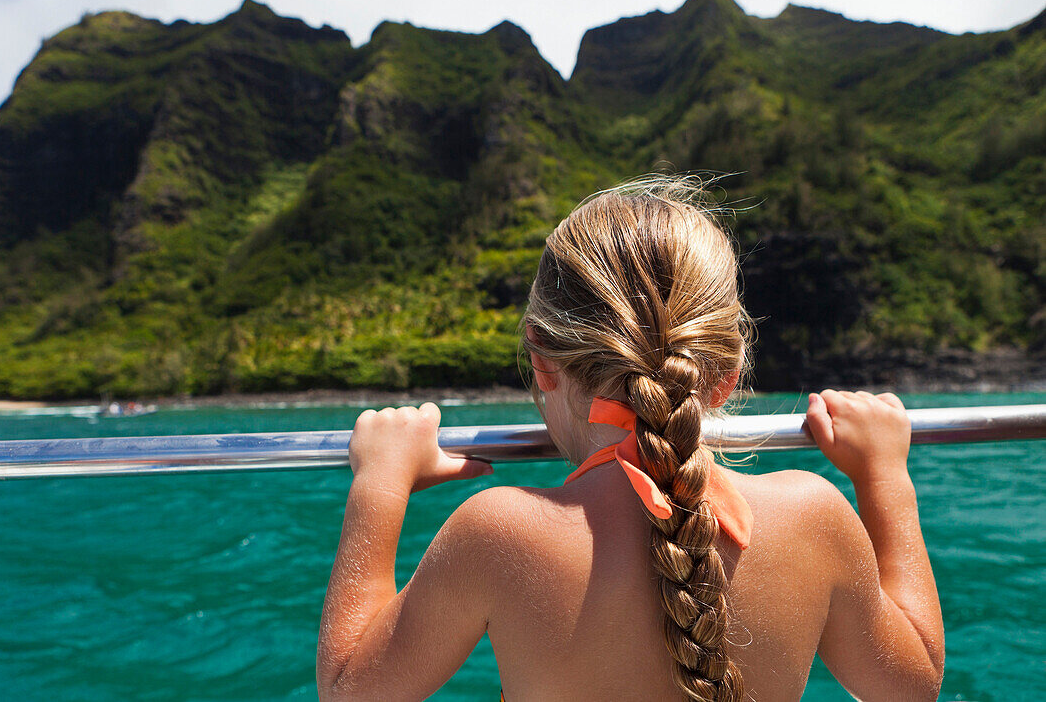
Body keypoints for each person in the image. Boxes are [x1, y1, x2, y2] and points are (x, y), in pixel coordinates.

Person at [316, 177, 944, 701]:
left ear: (541, 359)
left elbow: (348, 689)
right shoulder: (814, 517)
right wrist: (884, 474)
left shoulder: (496, 533)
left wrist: (380, 483)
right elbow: (915, 684)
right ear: (724, 377)